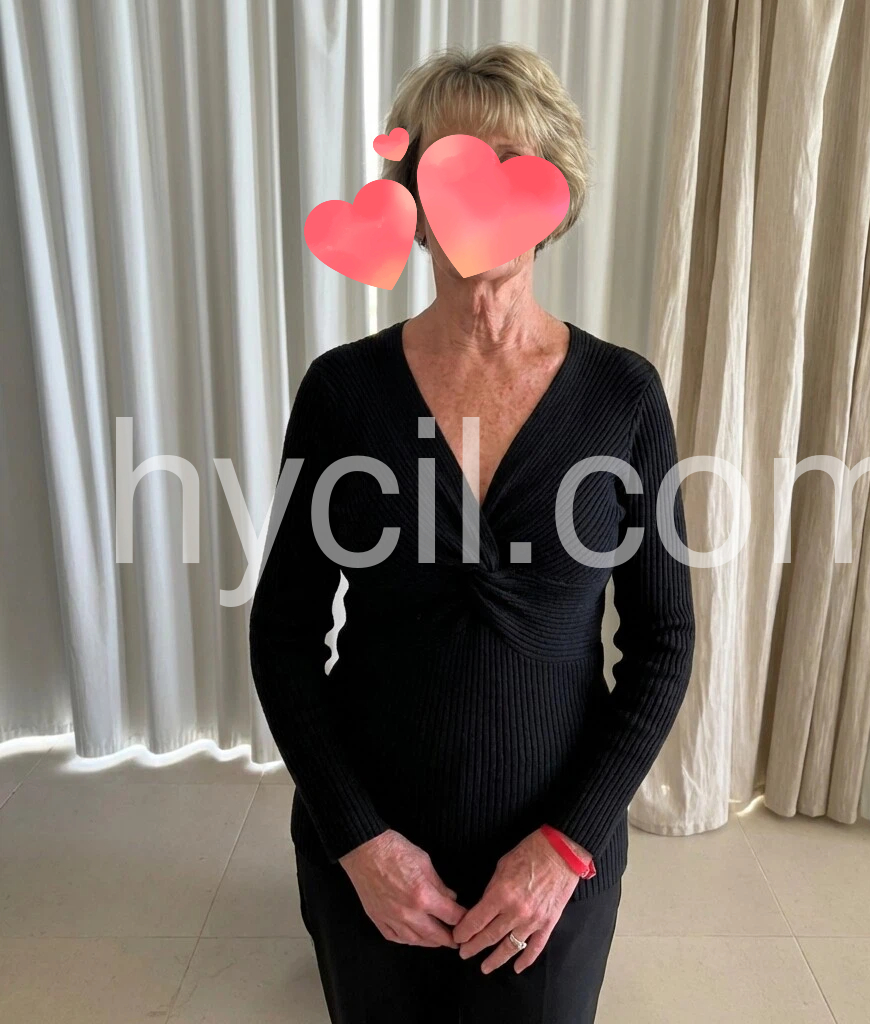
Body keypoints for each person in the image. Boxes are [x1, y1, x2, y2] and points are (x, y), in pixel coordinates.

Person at [249, 41, 695, 1024]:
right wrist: (358, 839)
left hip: (554, 852)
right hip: (368, 844)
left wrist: (567, 844)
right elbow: (282, 635)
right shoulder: (342, 393)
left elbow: (663, 642)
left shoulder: (623, 398)